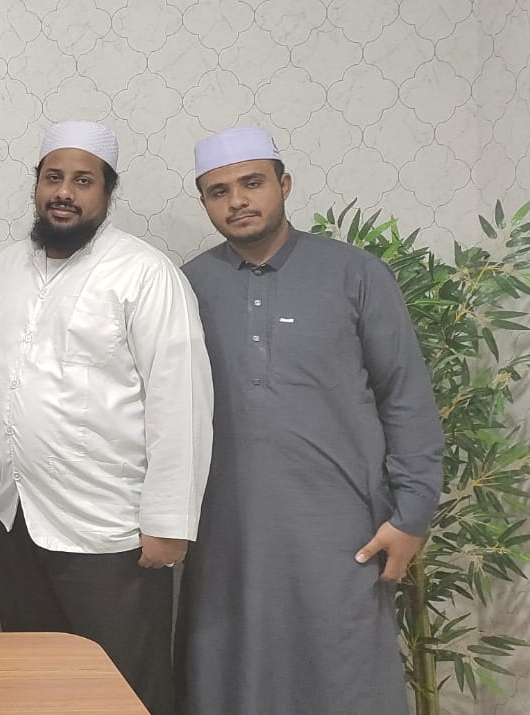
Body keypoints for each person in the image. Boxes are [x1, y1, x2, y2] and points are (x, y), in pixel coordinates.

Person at [177, 126, 443, 715]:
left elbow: (405, 396)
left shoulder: (356, 273)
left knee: (341, 672)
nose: (237, 201)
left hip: (342, 527)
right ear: (204, 202)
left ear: (285, 185)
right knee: (232, 669)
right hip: (226, 529)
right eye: (218, 191)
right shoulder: (187, 286)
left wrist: (412, 514)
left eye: (252, 183)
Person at [0, 120, 213, 715]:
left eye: (83, 181)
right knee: (32, 686)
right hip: (16, 517)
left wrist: (170, 520)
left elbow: (181, 401)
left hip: (109, 530)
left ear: (107, 191)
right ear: (36, 184)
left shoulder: (145, 274)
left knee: (122, 689)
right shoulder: (5, 269)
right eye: (53, 178)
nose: (64, 193)